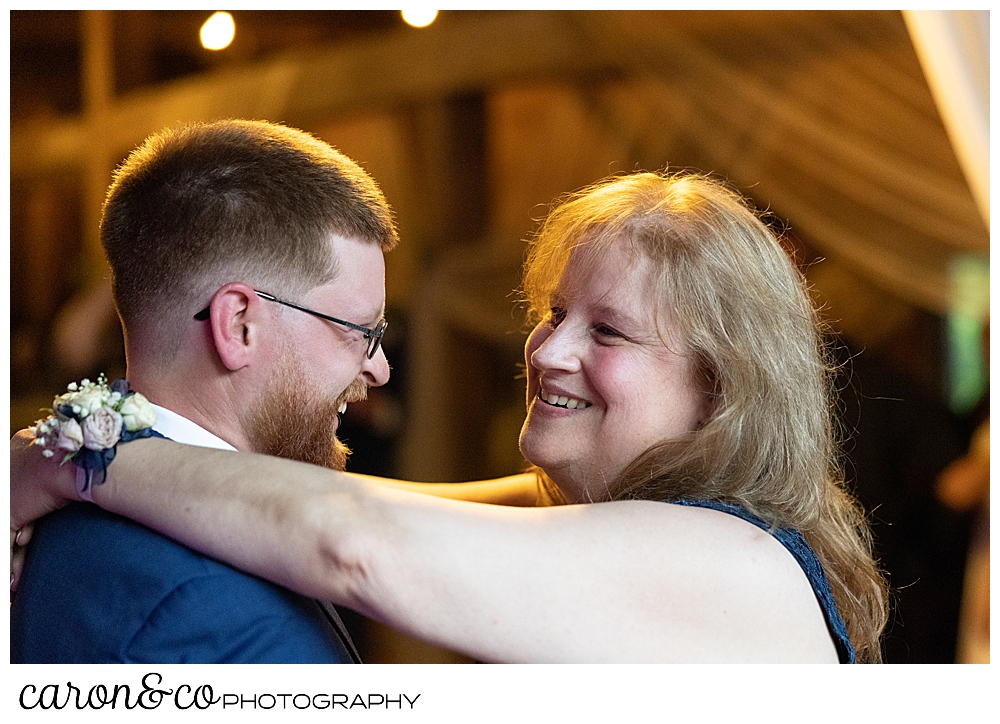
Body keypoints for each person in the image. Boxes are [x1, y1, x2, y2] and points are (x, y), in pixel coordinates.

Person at [11, 171, 889, 663]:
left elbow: (352, 540)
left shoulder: (730, 562)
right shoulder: (615, 526)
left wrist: (73, 455)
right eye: (554, 311)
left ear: (721, 392)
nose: (545, 352)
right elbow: (405, 506)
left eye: (609, 331)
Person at [10, 119, 399, 663]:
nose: (378, 368)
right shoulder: (228, 623)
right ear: (239, 325)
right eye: (361, 333)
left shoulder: (50, 504)